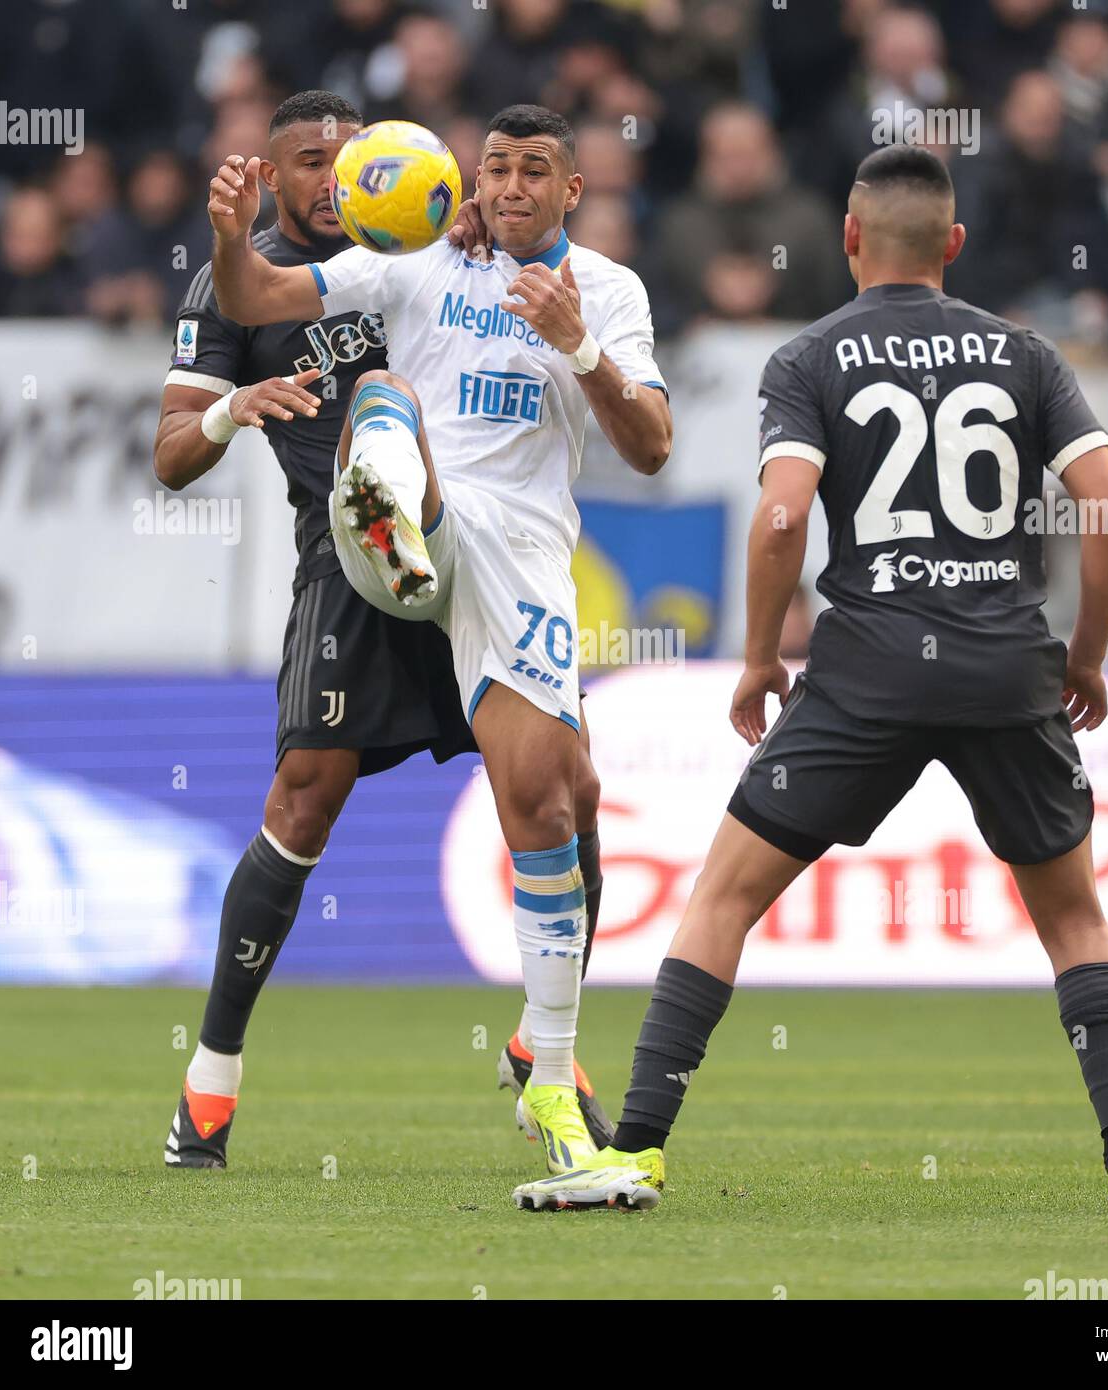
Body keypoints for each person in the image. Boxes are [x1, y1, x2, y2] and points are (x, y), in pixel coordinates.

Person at [513, 143, 1108, 1217]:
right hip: (1007, 667)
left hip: (865, 670)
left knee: (724, 897)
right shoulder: (1027, 355)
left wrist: (754, 660)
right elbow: (1107, 511)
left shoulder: (810, 356)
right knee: (1074, 919)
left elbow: (783, 513)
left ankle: (636, 1152)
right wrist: (1086, 652)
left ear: (846, 239)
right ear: (953, 245)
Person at [205, 103, 672, 1175]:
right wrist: (232, 236)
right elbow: (259, 297)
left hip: (518, 557)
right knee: (383, 387)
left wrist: (580, 346)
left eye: (533, 170)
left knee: (547, 803)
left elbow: (648, 445)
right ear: (471, 185)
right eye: (494, 169)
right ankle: (387, 519)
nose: (509, 186)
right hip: (407, 522)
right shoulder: (413, 260)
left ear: (571, 191)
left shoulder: (607, 291)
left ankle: (547, 1079)